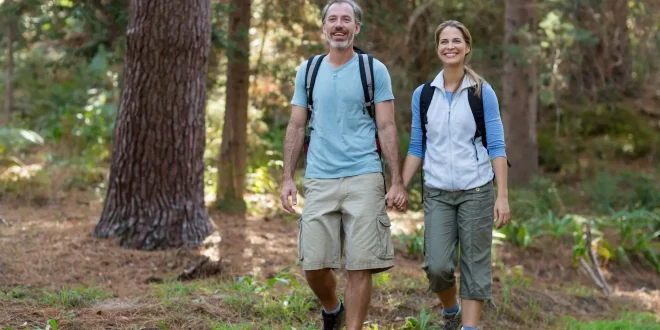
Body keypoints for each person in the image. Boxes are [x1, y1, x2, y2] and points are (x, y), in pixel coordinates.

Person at [279, 1, 408, 329]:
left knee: (359, 267)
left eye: (346, 20)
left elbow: (387, 127)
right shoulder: (308, 71)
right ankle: (332, 308)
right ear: (323, 28)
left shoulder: (373, 69)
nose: (339, 25)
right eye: (332, 19)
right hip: (319, 178)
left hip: (364, 176)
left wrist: (396, 182)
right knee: (313, 265)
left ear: (356, 28)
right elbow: (296, 126)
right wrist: (287, 179)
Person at [398, 20, 511, 330]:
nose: (450, 46)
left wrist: (502, 196)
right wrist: (400, 185)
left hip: (476, 190)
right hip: (437, 192)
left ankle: (470, 327)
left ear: (467, 47)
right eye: (444, 41)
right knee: (437, 266)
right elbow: (417, 146)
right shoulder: (423, 95)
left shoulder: (481, 92)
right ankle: (451, 310)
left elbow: (497, 146)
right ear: (438, 49)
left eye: (456, 41)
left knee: (475, 266)